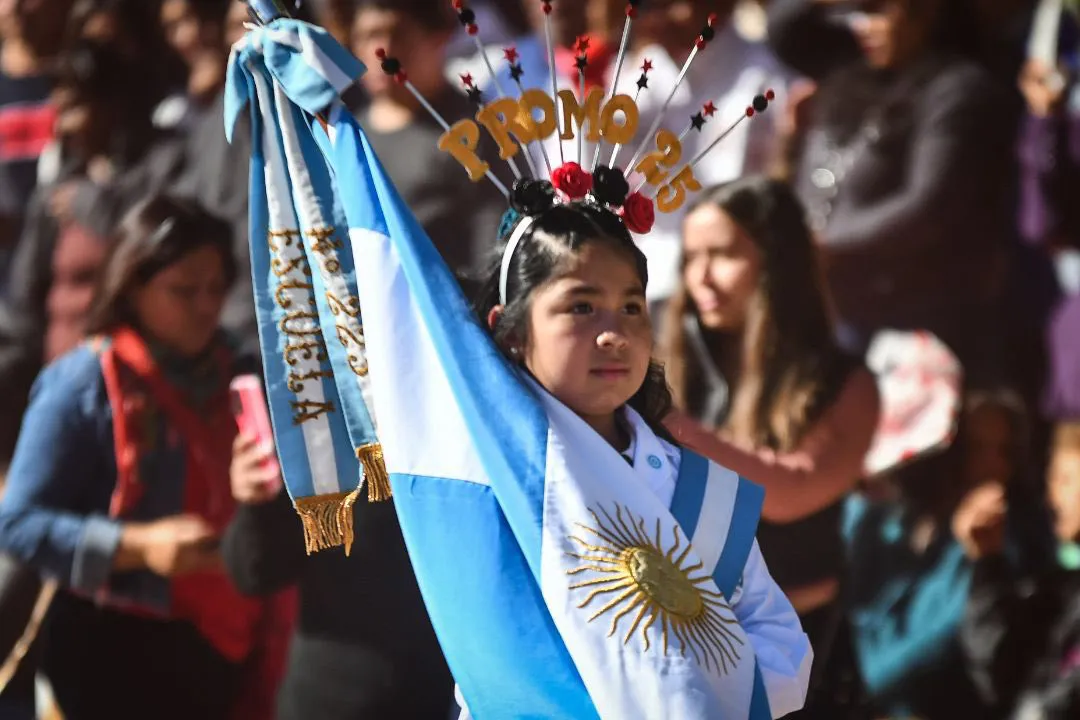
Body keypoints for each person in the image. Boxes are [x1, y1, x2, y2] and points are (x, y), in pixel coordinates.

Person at [0, 194, 290, 720]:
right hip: (108, 659)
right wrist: (137, 545)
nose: (206, 306)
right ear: (132, 286)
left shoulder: (240, 373)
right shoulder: (81, 384)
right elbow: (17, 523)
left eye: (214, 288)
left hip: (224, 650)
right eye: (184, 291)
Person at [659, 177, 879, 718]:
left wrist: (669, 422)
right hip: (685, 643)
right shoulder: (672, 362)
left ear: (777, 263)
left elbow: (791, 489)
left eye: (724, 254)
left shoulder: (844, 381)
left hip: (801, 654)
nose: (701, 276)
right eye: (692, 257)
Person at [768, 0, 1013, 384]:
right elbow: (783, 27)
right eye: (858, 11)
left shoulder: (958, 89)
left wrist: (826, 245)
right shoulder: (849, 67)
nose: (863, 25)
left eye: (878, 10)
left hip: (900, 311)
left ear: (925, 12)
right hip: (827, 300)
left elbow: (928, 207)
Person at [961, 420, 1080, 720]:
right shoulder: (1062, 590)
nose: (1052, 496)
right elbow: (1002, 665)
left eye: (1065, 479)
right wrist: (987, 563)